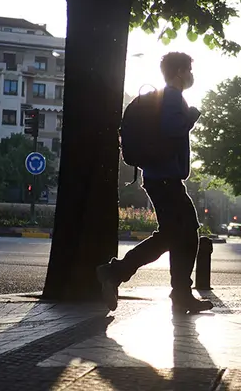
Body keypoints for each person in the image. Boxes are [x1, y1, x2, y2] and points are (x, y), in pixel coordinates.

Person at [96, 52, 214, 314]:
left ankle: (176, 291)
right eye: (188, 69)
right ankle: (116, 273)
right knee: (181, 233)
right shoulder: (172, 96)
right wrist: (191, 117)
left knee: (179, 233)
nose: (191, 74)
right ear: (180, 71)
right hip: (164, 178)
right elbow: (173, 128)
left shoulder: (165, 97)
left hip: (158, 177)